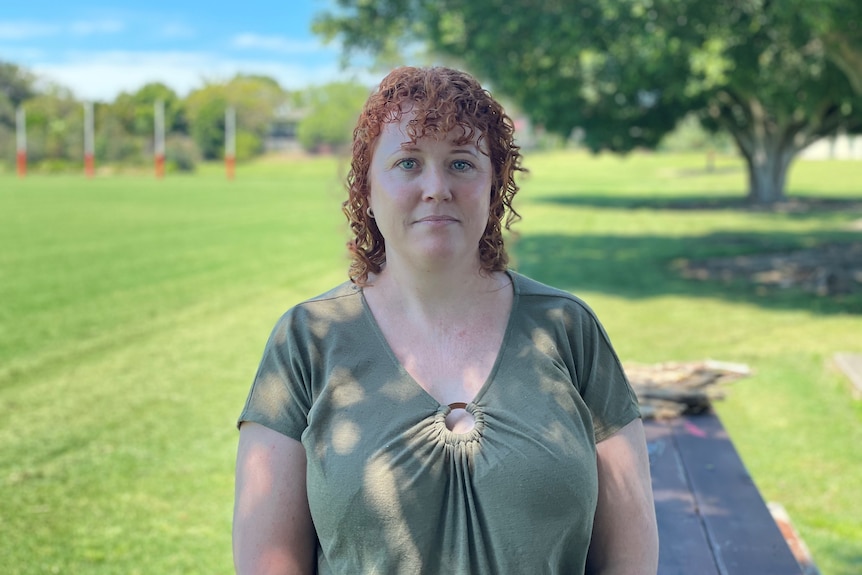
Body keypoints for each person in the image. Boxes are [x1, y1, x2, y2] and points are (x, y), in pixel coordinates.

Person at [233, 66, 658, 575]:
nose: (436, 188)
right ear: (367, 189)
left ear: (494, 186)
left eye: (461, 163)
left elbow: (629, 555)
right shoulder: (307, 341)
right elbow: (268, 562)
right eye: (408, 163)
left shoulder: (568, 330)